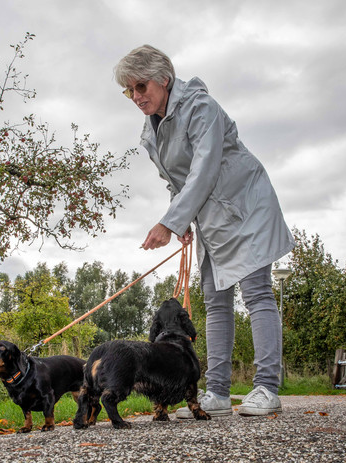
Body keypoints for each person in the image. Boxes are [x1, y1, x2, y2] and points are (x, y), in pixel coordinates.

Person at [114, 45, 294, 417]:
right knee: (215, 299)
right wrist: (181, 220)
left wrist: (170, 222)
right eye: (129, 90)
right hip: (210, 217)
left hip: (245, 206)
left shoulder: (201, 108)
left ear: (164, 79)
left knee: (257, 292)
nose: (136, 96)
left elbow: (205, 169)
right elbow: (177, 181)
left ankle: (266, 388)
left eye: (141, 86)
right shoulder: (152, 131)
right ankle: (218, 393)